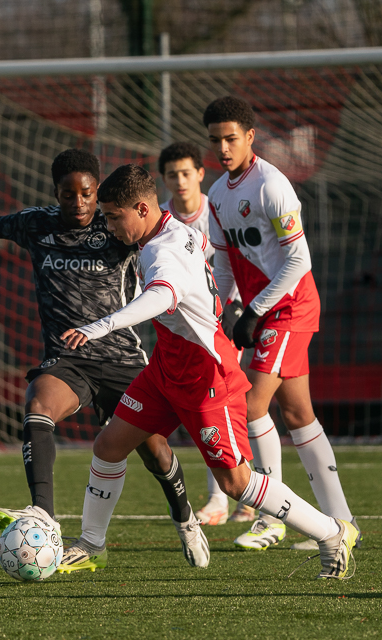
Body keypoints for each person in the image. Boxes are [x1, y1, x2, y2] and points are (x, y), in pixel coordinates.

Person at [0, 148, 207, 569]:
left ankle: (185, 517)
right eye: (68, 194)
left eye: (87, 194)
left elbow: (167, 244)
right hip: (69, 357)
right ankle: (43, 512)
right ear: (55, 192)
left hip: (122, 358)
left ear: (98, 191)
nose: (78, 203)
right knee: (38, 405)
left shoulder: (118, 225)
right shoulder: (37, 224)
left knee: (154, 451)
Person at [57, 164, 358, 580]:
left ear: (142, 209)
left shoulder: (161, 250)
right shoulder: (173, 228)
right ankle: (91, 544)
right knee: (109, 446)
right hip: (166, 368)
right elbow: (198, 257)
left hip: (206, 378)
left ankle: (331, 532)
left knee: (236, 483)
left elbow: (162, 296)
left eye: (112, 216)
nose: (108, 225)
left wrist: (102, 325)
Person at [203, 96, 361, 551]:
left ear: (250, 136)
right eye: (216, 140)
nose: (223, 148)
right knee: (297, 415)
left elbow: (299, 259)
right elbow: (227, 264)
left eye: (231, 138)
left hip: (290, 307)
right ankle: (343, 523)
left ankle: (269, 517)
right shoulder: (218, 195)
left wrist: (255, 310)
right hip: (262, 310)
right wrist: (229, 307)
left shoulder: (272, 185)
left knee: (251, 406)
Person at [158, 141, 254, 527]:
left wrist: (235, 307)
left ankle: (244, 495)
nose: (180, 181)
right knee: (205, 411)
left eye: (186, 173)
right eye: (171, 175)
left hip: (225, 322)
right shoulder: (161, 221)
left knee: (239, 408)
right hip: (185, 330)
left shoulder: (215, 209)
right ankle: (223, 497)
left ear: (200, 173)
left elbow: (231, 260)